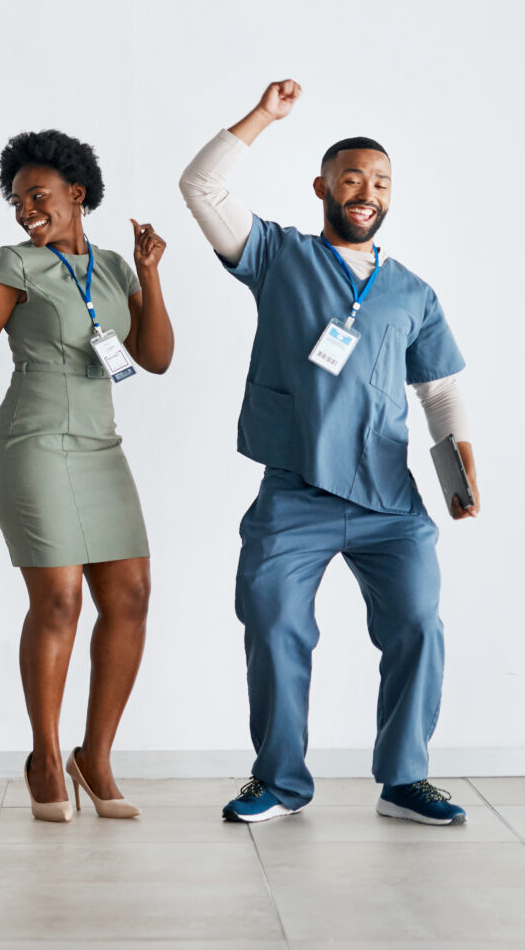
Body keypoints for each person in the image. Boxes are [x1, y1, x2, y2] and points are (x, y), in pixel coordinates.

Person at [179, 78, 480, 827]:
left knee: (418, 624)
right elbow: (201, 185)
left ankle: (406, 778)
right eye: (352, 178)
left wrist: (460, 475)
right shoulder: (278, 255)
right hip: (297, 490)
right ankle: (279, 779)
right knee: (273, 619)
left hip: (389, 499)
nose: (366, 191)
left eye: (380, 181)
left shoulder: (412, 292)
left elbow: (439, 393)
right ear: (323, 186)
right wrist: (264, 117)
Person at [0, 130, 174, 822]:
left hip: (100, 444)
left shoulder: (113, 266)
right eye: (18, 199)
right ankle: (44, 756)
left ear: (77, 194)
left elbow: (156, 358)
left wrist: (151, 272)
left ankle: (94, 755)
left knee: (131, 592)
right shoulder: (15, 263)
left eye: (37, 196)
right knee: (59, 600)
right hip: (32, 440)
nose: (25, 210)